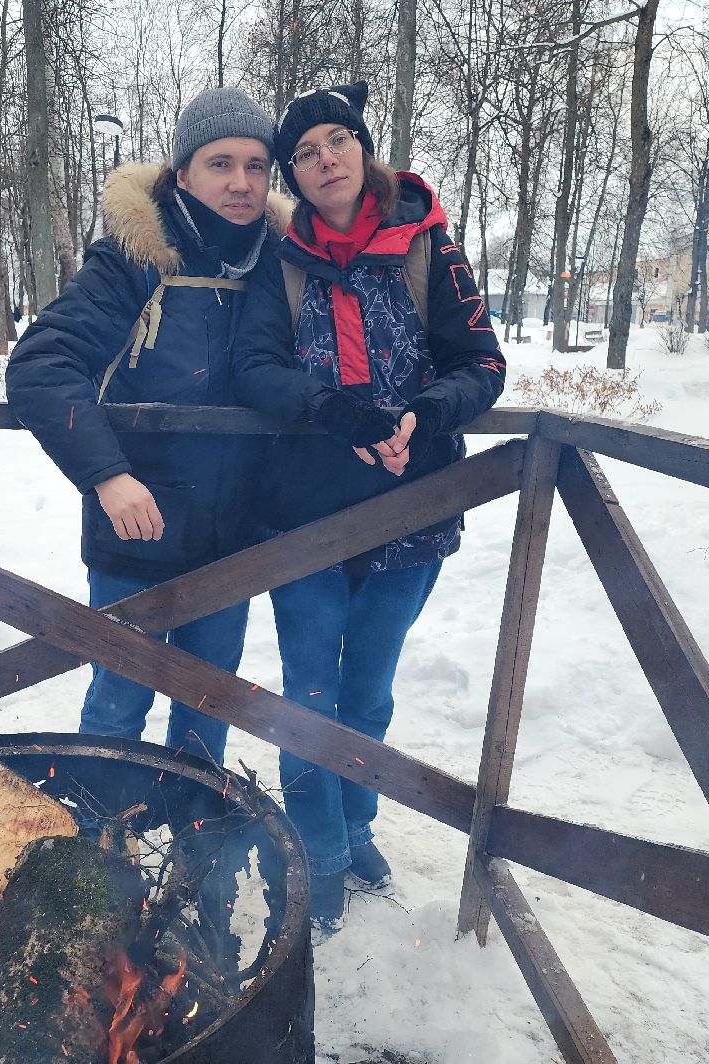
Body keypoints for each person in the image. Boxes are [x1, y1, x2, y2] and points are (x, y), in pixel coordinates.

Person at [232, 81, 507, 933]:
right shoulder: (275, 262)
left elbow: (482, 364)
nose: (325, 161)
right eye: (306, 154)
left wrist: (424, 421)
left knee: (370, 692)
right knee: (308, 691)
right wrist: (329, 410)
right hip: (304, 518)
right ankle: (316, 854)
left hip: (413, 510)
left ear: (363, 147)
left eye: (336, 142)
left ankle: (356, 825)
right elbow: (256, 368)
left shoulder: (430, 246)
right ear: (295, 175)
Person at [6, 87, 287, 767]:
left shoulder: (282, 265)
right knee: (118, 703)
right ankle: (101, 849)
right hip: (139, 530)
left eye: (256, 166)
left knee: (208, 704)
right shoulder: (135, 258)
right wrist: (107, 475)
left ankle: (194, 857)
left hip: (235, 539)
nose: (241, 182)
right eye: (221, 164)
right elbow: (42, 364)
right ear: (183, 173)